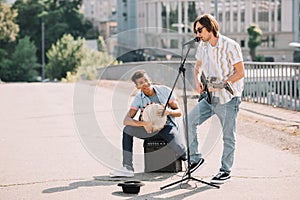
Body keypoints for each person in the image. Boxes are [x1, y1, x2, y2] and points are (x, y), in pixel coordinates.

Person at [187, 14, 245, 184]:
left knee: (228, 136)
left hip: (228, 98)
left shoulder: (230, 45)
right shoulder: (202, 46)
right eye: (195, 31)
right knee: (189, 121)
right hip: (209, 97)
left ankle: (225, 170)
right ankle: (196, 158)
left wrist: (222, 84)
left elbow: (240, 72)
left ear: (210, 27)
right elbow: (197, 67)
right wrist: (197, 80)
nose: (197, 34)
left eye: (200, 30)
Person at [110, 70, 187, 177]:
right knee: (127, 130)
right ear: (137, 86)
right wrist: (143, 124)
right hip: (149, 130)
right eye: (141, 82)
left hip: (167, 127)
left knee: (178, 146)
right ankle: (128, 167)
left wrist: (169, 111)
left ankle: (190, 161)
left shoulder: (165, 91)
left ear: (150, 80)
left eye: (146, 80)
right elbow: (126, 120)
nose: (145, 84)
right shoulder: (138, 98)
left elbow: (179, 112)